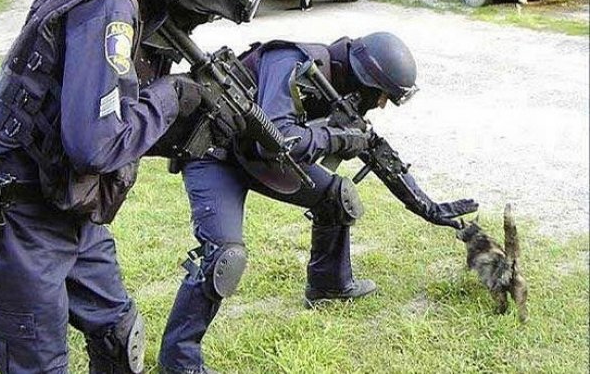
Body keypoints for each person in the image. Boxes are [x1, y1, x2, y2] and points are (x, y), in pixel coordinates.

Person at [0, 0, 266, 372]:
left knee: (119, 333)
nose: (202, 23)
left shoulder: (135, 14)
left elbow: (114, 127)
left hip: (67, 202)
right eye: (208, 12)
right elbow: (94, 146)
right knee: (40, 361)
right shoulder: (110, 8)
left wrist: (193, 126)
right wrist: (172, 95)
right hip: (19, 211)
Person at [157, 32, 479, 373]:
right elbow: (277, 138)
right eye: (383, 95)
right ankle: (179, 360)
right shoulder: (289, 60)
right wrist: (336, 138)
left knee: (338, 197)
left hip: (261, 159)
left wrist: (428, 207)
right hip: (216, 154)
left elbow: (377, 152)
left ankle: (329, 284)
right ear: (367, 80)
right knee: (225, 257)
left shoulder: (342, 91)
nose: (382, 104)